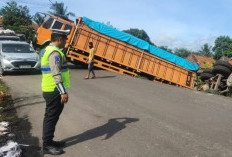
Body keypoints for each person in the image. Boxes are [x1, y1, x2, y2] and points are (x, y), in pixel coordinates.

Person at [40, 29, 70, 155]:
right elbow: (56, 73)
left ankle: (49, 141)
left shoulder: (46, 49)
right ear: (59, 39)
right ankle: (47, 145)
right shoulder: (55, 53)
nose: (66, 42)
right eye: (65, 40)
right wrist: (63, 92)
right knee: (51, 117)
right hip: (54, 90)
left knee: (51, 116)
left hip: (50, 88)